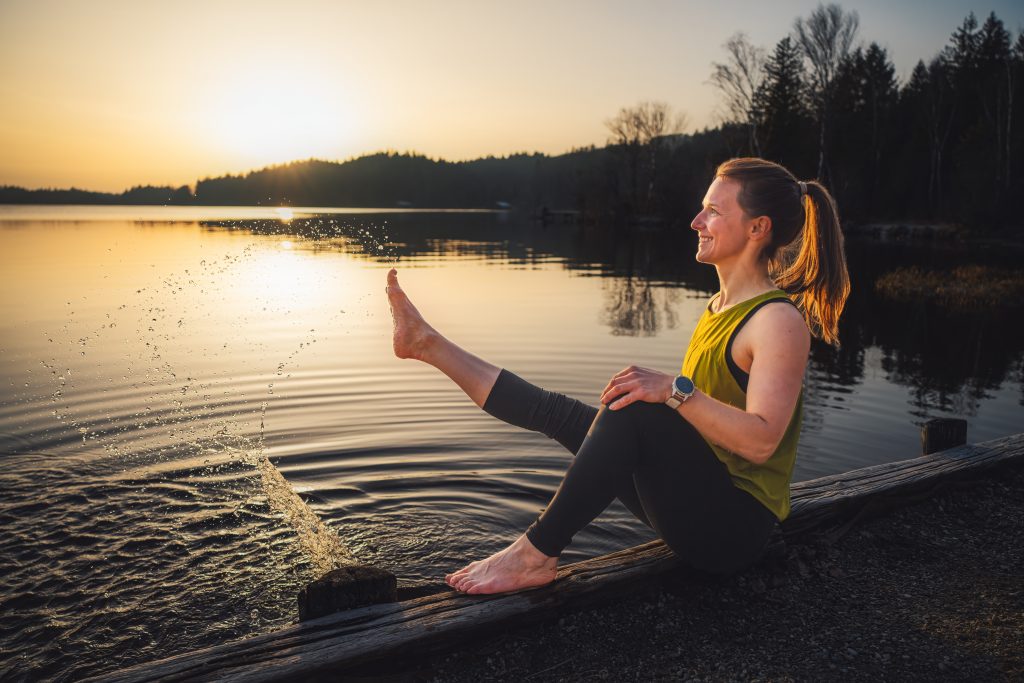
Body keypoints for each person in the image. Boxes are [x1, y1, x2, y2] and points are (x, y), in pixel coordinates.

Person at [385, 157, 850, 595]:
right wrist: (664, 397)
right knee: (569, 415)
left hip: (732, 532)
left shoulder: (776, 321)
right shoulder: (720, 308)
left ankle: (536, 553)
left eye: (712, 211)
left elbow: (762, 440)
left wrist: (673, 390)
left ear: (758, 228)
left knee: (638, 410)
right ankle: (428, 344)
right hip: (697, 502)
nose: (695, 222)